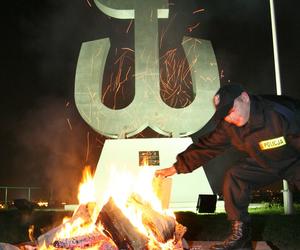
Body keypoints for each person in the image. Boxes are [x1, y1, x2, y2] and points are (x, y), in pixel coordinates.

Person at [155, 83, 300, 250]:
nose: (231, 119)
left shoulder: (282, 112)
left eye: (231, 111)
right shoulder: (229, 127)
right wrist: (176, 167)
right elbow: (207, 146)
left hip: (295, 161)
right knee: (235, 176)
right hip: (264, 162)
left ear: (244, 98)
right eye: (226, 115)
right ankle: (241, 238)